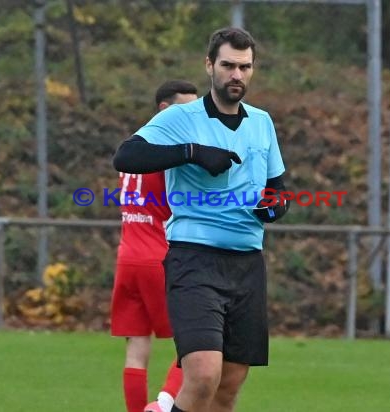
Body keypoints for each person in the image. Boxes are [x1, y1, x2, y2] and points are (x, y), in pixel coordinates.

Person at [113, 27, 289, 412]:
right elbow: (126, 157)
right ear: (210, 65)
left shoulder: (262, 123)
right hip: (194, 259)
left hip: (246, 264)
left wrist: (275, 207)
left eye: (245, 67)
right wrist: (191, 152)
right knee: (203, 373)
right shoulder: (181, 117)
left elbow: (279, 189)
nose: (236, 75)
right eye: (228, 65)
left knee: (229, 385)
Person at [110, 80, 198, 412]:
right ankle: (162, 405)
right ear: (164, 109)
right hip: (159, 259)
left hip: (128, 256)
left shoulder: (135, 146)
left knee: (136, 346)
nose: (193, 115)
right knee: (195, 341)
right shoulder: (166, 152)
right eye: (185, 108)